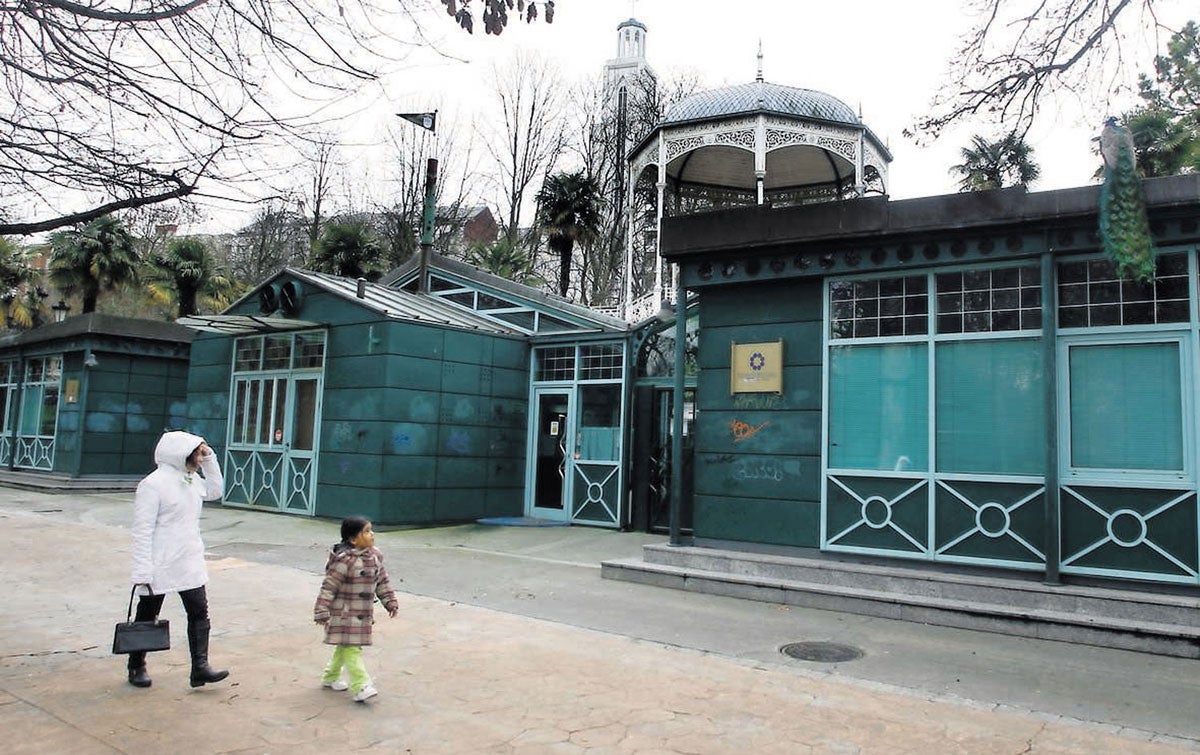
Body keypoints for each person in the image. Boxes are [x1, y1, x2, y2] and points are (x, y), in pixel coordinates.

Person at [127, 430, 229, 689]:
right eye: (195, 453)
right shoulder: (152, 484)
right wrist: (141, 569)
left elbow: (216, 490)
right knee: (148, 613)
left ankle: (200, 667)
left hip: (189, 558)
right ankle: (136, 664)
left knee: (199, 611)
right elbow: (142, 529)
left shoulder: (191, 479)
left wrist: (210, 458)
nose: (198, 457)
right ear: (180, 454)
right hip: (160, 560)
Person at [313, 516, 399, 702]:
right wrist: (321, 610)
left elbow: (382, 582)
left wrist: (390, 601)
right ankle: (361, 685)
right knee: (352, 648)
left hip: (362, 613)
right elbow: (329, 586)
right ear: (353, 539)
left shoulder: (374, 558)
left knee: (345, 646)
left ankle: (330, 677)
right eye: (367, 531)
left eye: (371, 530)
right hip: (344, 614)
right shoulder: (344, 561)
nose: (372, 534)